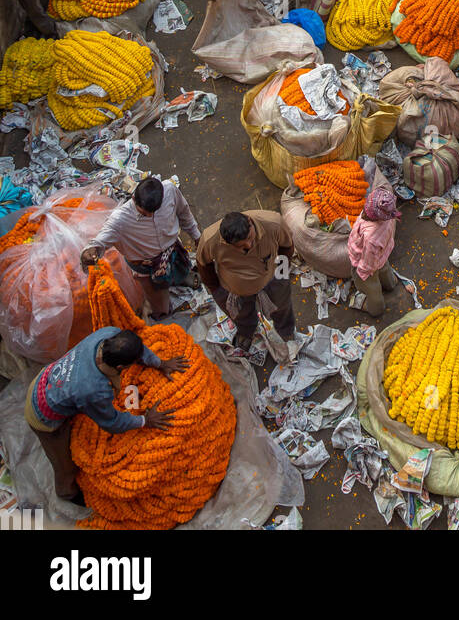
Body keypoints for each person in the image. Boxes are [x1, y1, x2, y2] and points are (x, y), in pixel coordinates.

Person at [25, 328, 186, 504]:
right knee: (66, 466)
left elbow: (139, 350)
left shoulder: (109, 335)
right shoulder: (94, 389)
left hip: (47, 379)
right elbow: (112, 423)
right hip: (41, 412)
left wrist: (160, 363)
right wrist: (145, 420)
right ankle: (67, 493)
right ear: (120, 368)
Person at [80, 177, 201, 320]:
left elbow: (184, 213)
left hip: (172, 252)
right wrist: (89, 252)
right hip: (146, 267)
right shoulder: (119, 220)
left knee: (181, 271)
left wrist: (197, 236)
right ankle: (161, 312)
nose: (149, 216)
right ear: (133, 198)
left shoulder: (170, 190)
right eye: (143, 213)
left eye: (154, 211)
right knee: (161, 307)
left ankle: (181, 278)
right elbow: (98, 243)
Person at [197, 210, 295, 355]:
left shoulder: (273, 223)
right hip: (236, 289)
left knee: (282, 307)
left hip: (272, 277)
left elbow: (287, 247)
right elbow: (204, 265)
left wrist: (282, 276)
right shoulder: (210, 240)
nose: (249, 245)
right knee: (241, 315)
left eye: (250, 237)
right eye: (241, 246)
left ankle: (286, 331)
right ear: (226, 241)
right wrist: (216, 290)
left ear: (250, 222)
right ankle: (246, 332)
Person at [347, 186, 400, 316]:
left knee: (372, 287)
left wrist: (362, 273)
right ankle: (390, 284)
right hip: (382, 255)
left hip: (368, 262)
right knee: (384, 268)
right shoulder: (388, 215)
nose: (364, 212)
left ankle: (376, 308)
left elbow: (369, 263)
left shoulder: (372, 239)